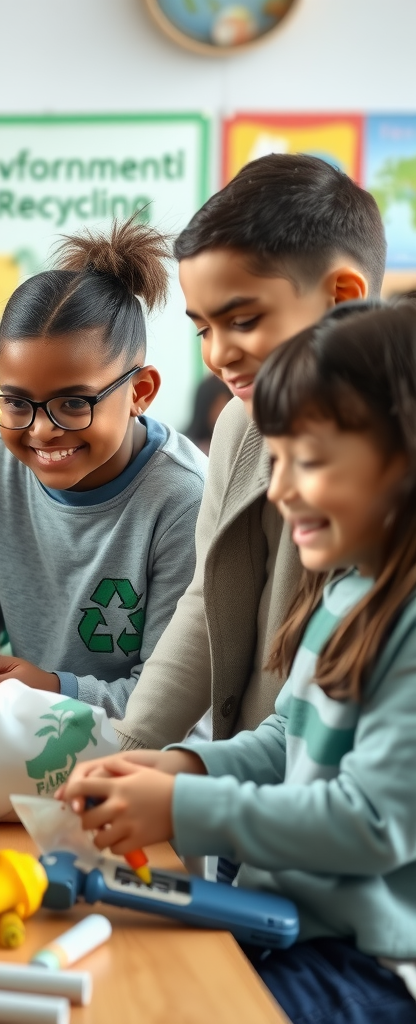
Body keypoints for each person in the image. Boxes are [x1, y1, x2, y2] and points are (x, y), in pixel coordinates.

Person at [59, 303, 416, 1024]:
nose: (280, 491)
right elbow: (287, 740)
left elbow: (374, 822)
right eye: (276, 460)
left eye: (307, 462)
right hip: (284, 925)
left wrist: (186, 808)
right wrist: (184, 768)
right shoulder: (347, 587)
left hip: (365, 964)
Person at [115, 154, 386, 750]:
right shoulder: (241, 422)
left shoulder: (396, 445)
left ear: (342, 296)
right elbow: (211, 601)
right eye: (203, 328)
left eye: (243, 319)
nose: (217, 355)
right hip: (249, 783)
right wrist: (130, 749)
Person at [0, 219, 206, 718]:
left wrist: (55, 689)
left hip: (135, 760)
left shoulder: (185, 496)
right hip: (19, 734)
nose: (41, 431)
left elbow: (172, 705)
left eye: (74, 403)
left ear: (140, 392)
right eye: (16, 402)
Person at [184, 373, 231, 455]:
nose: (221, 412)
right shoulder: (188, 445)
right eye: (218, 406)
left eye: (226, 405)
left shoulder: (229, 441)